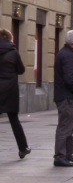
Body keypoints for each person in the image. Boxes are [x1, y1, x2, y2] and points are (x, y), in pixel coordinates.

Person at [53, 30, 73, 167]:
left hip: (68, 96)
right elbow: (69, 77)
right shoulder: (67, 55)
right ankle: (60, 156)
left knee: (70, 127)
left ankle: (68, 153)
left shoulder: (70, 54)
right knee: (65, 126)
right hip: (66, 96)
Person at [0, 28, 31, 159]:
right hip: (9, 89)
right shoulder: (13, 52)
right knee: (14, 119)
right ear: (9, 38)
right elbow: (21, 70)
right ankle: (23, 148)